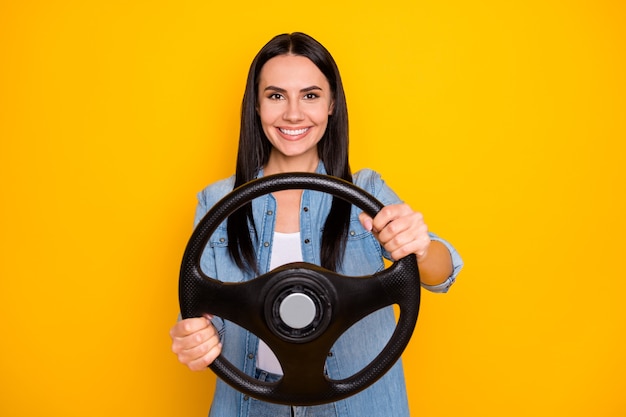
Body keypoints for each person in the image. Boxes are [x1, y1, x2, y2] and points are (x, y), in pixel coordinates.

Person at [170, 32, 463, 417]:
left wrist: (419, 246)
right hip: (250, 405)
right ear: (256, 106)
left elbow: (442, 273)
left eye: (310, 95)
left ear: (331, 106)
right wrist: (195, 338)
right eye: (276, 96)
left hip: (361, 405)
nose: (293, 114)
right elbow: (203, 312)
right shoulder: (216, 201)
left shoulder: (367, 191)